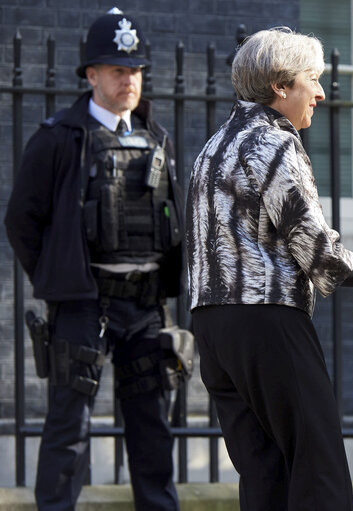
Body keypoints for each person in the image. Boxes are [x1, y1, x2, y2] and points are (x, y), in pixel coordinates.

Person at [186, 27, 353, 511]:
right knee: (318, 470)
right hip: (269, 322)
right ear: (281, 86)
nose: (320, 93)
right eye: (312, 79)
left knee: (263, 474)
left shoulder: (211, 147)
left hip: (212, 328)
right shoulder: (275, 144)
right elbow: (321, 255)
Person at [4, 8, 185, 511]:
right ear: (91, 75)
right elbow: (22, 221)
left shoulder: (157, 137)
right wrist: (57, 277)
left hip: (147, 305)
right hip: (86, 305)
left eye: (135, 70)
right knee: (70, 428)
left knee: (152, 429)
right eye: (117, 70)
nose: (129, 80)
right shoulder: (59, 137)